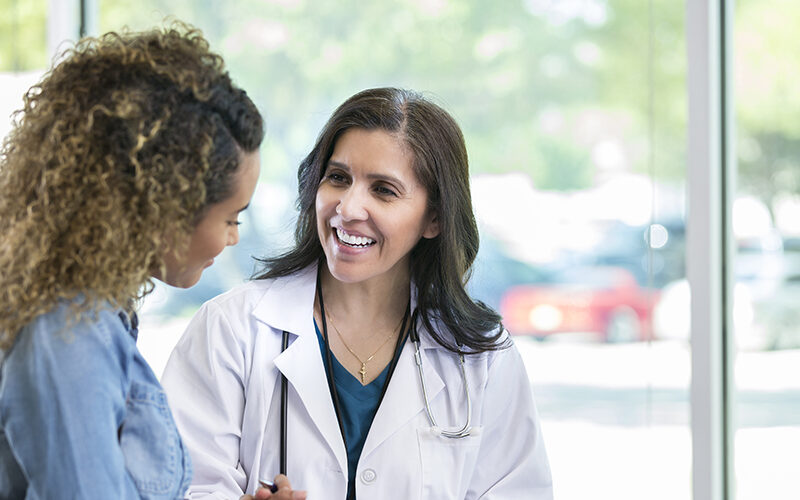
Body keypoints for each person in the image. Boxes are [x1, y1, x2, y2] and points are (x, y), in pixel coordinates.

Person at [161, 87, 553, 499]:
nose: (347, 208)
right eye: (338, 178)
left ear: (433, 218)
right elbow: (179, 485)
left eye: (383, 189)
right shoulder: (231, 330)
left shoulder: (481, 357)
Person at [0, 22, 301, 500]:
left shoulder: (98, 315)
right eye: (229, 218)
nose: (233, 238)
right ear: (163, 207)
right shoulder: (66, 336)